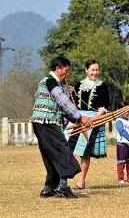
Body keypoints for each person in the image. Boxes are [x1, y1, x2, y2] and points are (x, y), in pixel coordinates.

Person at [31, 56, 93, 198]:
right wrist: (79, 117)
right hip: (47, 123)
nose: (67, 73)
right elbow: (63, 101)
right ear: (58, 68)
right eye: (66, 69)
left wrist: (76, 119)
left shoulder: (50, 82)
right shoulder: (51, 81)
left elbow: (61, 107)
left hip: (41, 123)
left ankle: (49, 188)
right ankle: (63, 185)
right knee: (62, 150)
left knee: (51, 155)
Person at [66, 60, 109, 190]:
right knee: (65, 147)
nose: (95, 72)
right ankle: (63, 177)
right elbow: (70, 102)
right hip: (77, 118)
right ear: (86, 70)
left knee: (84, 152)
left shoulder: (102, 86)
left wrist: (95, 118)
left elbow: (103, 106)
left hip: (93, 121)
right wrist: (76, 116)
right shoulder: (79, 84)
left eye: (97, 70)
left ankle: (81, 180)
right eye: (92, 70)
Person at [115, 101, 129, 184]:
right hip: (122, 145)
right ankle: (121, 179)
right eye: (125, 111)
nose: (127, 113)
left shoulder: (128, 121)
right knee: (121, 163)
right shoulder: (118, 121)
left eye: (128, 111)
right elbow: (122, 131)